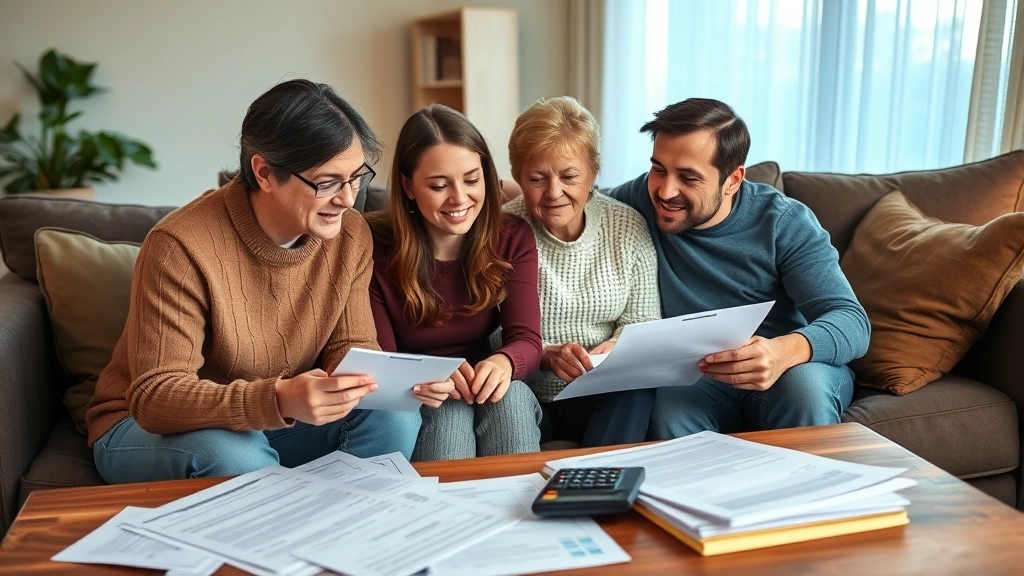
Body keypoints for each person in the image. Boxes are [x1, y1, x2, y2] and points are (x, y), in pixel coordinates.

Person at [86, 79, 428, 484]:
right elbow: (156, 398)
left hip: (273, 419)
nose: (348, 198)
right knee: (237, 456)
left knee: (395, 419)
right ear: (264, 172)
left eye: (356, 177)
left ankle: (343, 533)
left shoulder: (350, 234)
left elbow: (347, 348)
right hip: (147, 426)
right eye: (328, 181)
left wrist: (391, 385)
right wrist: (279, 397)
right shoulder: (179, 246)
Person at [606, 98, 870, 437]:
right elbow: (575, 202)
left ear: (733, 180)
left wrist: (781, 351)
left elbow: (852, 321)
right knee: (669, 404)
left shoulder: (784, 222)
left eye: (688, 177)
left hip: (785, 371)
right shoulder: (636, 200)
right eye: (659, 169)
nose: (666, 190)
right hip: (697, 377)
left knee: (805, 387)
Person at [365, 104, 544, 461]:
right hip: (419, 391)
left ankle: (522, 510)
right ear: (408, 186)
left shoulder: (511, 236)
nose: (459, 198)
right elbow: (382, 360)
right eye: (439, 185)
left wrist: (504, 363)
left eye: (471, 179)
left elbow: (526, 339)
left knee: (512, 395)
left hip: (484, 383)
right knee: (448, 415)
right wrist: (430, 376)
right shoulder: (372, 245)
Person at [503, 96, 661, 446]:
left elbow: (644, 320)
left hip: (601, 394)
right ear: (517, 176)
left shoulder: (627, 226)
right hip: (527, 396)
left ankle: (600, 486)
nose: (554, 192)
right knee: (508, 394)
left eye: (569, 176)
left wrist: (616, 347)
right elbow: (483, 332)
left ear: (594, 173)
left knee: (638, 384)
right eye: (537, 178)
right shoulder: (503, 231)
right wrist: (544, 355)